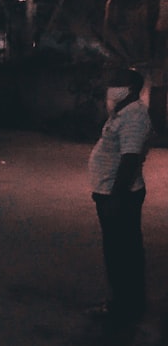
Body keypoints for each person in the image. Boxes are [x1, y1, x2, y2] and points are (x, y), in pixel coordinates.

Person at [87, 67, 151, 326]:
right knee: (122, 249)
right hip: (111, 193)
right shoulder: (122, 114)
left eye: (117, 82)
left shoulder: (134, 116)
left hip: (120, 196)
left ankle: (124, 308)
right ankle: (125, 302)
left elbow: (129, 159)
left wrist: (115, 198)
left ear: (132, 88)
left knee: (121, 252)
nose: (111, 86)